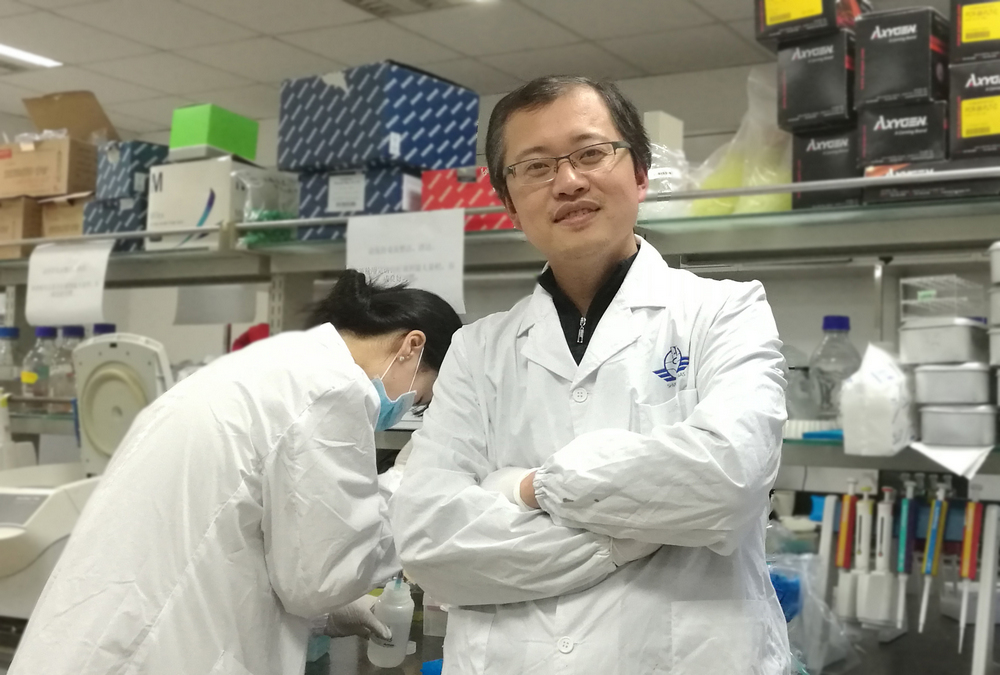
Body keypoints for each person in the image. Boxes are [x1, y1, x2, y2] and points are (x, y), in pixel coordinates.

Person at [391, 76, 790, 675]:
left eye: (591, 153)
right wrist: (644, 526)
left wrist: (528, 488)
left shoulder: (726, 311)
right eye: (535, 166)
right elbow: (427, 543)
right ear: (508, 203)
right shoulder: (477, 349)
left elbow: (728, 482)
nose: (569, 181)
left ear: (640, 173)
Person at [9, 271, 463, 675]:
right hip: (153, 648)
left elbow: (247, 533)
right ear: (411, 345)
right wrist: (413, 482)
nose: (409, 407)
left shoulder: (283, 366)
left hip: (102, 632)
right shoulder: (334, 391)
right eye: (421, 397)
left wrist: (325, 614)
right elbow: (320, 581)